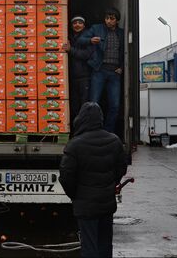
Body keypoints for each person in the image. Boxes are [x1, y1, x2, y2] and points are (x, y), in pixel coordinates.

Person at [59, 102, 127, 258]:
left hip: (85, 206)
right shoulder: (114, 141)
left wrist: (75, 195)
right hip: (107, 203)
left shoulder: (74, 145)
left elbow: (66, 176)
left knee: (89, 246)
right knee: (105, 245)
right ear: (100, 119)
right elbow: (121, 168)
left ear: (81, 119)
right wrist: (110, 185)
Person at [78, 7, 124, 133]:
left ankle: (107, 132)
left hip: (115, 73)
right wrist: (90, 40)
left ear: (117, 21)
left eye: (112, 19)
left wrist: (122, 67)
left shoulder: (122, 33)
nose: (109, 21)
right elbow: (80, 40)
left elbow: (126, 52)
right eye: (107, 18)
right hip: (99, 71)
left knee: (115, 105)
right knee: (93, 104)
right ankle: (91, 132)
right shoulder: (96, 28)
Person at [62, 16, 93, 122]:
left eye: (80, 23)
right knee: (74, 105)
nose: (77, 25)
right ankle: (76, 130)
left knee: (84, 105)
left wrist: (71, 50)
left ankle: (84, 130)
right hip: (71, 77)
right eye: (75, 23)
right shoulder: (68, 37)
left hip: (85, 77)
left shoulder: (88, 37)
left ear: (84, 25)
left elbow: (87, 54)